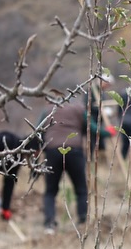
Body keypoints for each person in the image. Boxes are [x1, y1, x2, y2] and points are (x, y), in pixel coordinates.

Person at [39, 89, 95, 233]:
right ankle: (83, 220)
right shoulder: (78, 109)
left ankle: (49, 224)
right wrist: (108, 132)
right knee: (81, 188)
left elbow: (37, 130)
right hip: (74, 150)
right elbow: (92, 127)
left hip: (52, 150)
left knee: (50, 191)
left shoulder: (48, 110)